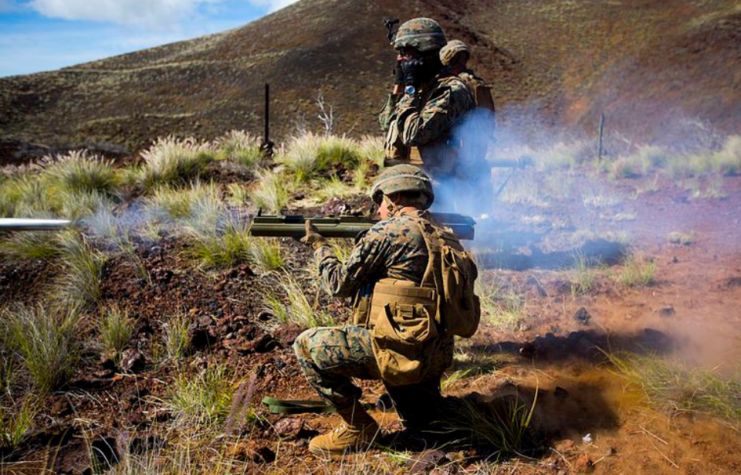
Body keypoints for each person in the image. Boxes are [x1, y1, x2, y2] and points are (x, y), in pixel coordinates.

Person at [293, 164, 480, 455]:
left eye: (379, 202)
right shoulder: (446, 236)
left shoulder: (389, 232)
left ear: (391, 199)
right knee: (425, 426)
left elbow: (338, 285)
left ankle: (359, 428)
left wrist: (320, 246)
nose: (378, 209)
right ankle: (448, 412)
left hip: (399, 351)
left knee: (306, 346)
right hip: (432, 356)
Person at [379, 18, 475, 180]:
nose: (401, 59)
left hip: (445, 187)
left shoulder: (450, 90)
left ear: (427, 50)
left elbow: (413, 135)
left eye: (406, 52)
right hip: (412, 181)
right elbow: (387, 124)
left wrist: (410, 89)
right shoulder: (420, 88)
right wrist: (400, 84)